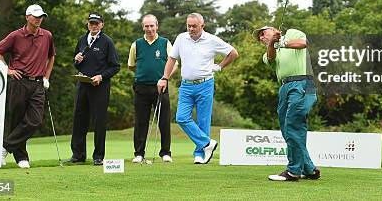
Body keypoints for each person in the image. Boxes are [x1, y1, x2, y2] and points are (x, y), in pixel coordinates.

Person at [157, 13, 238, 164]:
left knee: (203, 121)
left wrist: (219, 67)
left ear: (202, 26)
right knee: (181, 118)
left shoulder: (212, 40)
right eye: (189, 26)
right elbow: (172, 59)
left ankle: (199, 154)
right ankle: (208, 144)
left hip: (205, 84)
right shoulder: (181, 38)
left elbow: (233, 53)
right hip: (186, 85)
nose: (191, 29)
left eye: (194, 26)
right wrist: (165, 78)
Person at [253, 25, 320, 181]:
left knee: (293, 125)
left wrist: (281, 41)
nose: (262, 37)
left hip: (302, 82)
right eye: (260, 38)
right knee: (287, 128)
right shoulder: (269, 52)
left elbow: (303, 43)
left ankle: (293, 171)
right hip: (284, 87)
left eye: (264, 33)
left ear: (274, 29)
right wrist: (272, 43)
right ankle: (309, 169)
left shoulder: (292, 33)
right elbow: (270, 58)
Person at [0, 4, 55, 169]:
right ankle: (21, 157)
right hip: (19, 81)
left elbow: (51, 57)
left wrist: (46, 77)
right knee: (17, 119)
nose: (38, 19)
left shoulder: (47, 35)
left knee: (34, 120)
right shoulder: (16, 35)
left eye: (41, 16)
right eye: (35, 16)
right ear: (27, 17)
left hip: (38, 84)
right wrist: (7, 70)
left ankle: (4, 147)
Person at [67, 12, 120, 166]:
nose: (94, 26)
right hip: (82, 84)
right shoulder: (82, 40)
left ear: (102, 25)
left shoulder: (106, 42)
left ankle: (98, 156)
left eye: (97, 23)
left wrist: (101, 76)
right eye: (91, 23)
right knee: (79, 119)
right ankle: (78, 155)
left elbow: (115, 66)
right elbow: (77, 63)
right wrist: (76, 61)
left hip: (100, 87)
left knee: (99, 121)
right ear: (87, 24)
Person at [128, 14, 177, 163]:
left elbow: (174, 64)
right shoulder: (136, 44)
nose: (149, 29)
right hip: (141, 87)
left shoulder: (165, 43)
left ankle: (165, 152)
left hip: (160, 87)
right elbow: (131, 65)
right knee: (140, 122)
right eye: (146, 26)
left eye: (152, 26)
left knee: (163, 121)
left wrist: (164, 77)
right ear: (143, 27)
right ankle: (139, 153)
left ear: (157, 26)